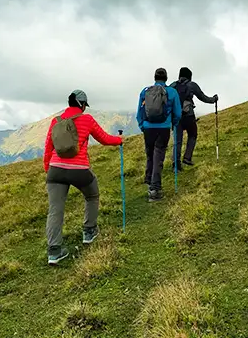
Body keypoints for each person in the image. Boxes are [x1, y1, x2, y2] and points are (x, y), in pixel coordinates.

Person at [42, 90, 123, 265]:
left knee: (55, 210)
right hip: (79, 169)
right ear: (82, 104)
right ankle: (89, 231)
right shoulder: (87, 120)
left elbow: (48, 147)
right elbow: (104, 139)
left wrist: (48, 169)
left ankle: (54, 251)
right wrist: (119, 140)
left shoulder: (56, 121)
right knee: (92, 195)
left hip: (55, 169)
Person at [136, 67, 181, 202]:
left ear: (154, 78)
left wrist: (142, 126)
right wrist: (173, 123)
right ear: (166, 78)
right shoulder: (172, 92)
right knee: (158, 157)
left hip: (148, 128)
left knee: (150, 155)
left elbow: (140, 112)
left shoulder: (145, 91)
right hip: (163, 128)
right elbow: (178, 113)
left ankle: (150, 182)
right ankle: (155, 190)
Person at [170, 67, 218, 169]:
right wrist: (213, 99)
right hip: (188, 116)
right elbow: (202, 97)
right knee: (192, 134)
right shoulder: (192, 85)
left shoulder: (173, 85)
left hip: (176, 117)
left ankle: (176, 163)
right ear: (189, 76)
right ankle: (187, 157)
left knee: (177, 141)